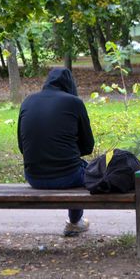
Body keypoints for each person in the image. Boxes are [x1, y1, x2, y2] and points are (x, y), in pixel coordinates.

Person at [17, 67, 94, 236]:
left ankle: (75, 222)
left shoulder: (28, 101)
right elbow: (88, 146)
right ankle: (75, 222)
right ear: (70, 84)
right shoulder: (74, 102)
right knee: (84, 169)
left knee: (74, 166)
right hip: (69, 177)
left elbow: (22, 147)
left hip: (33, 177)